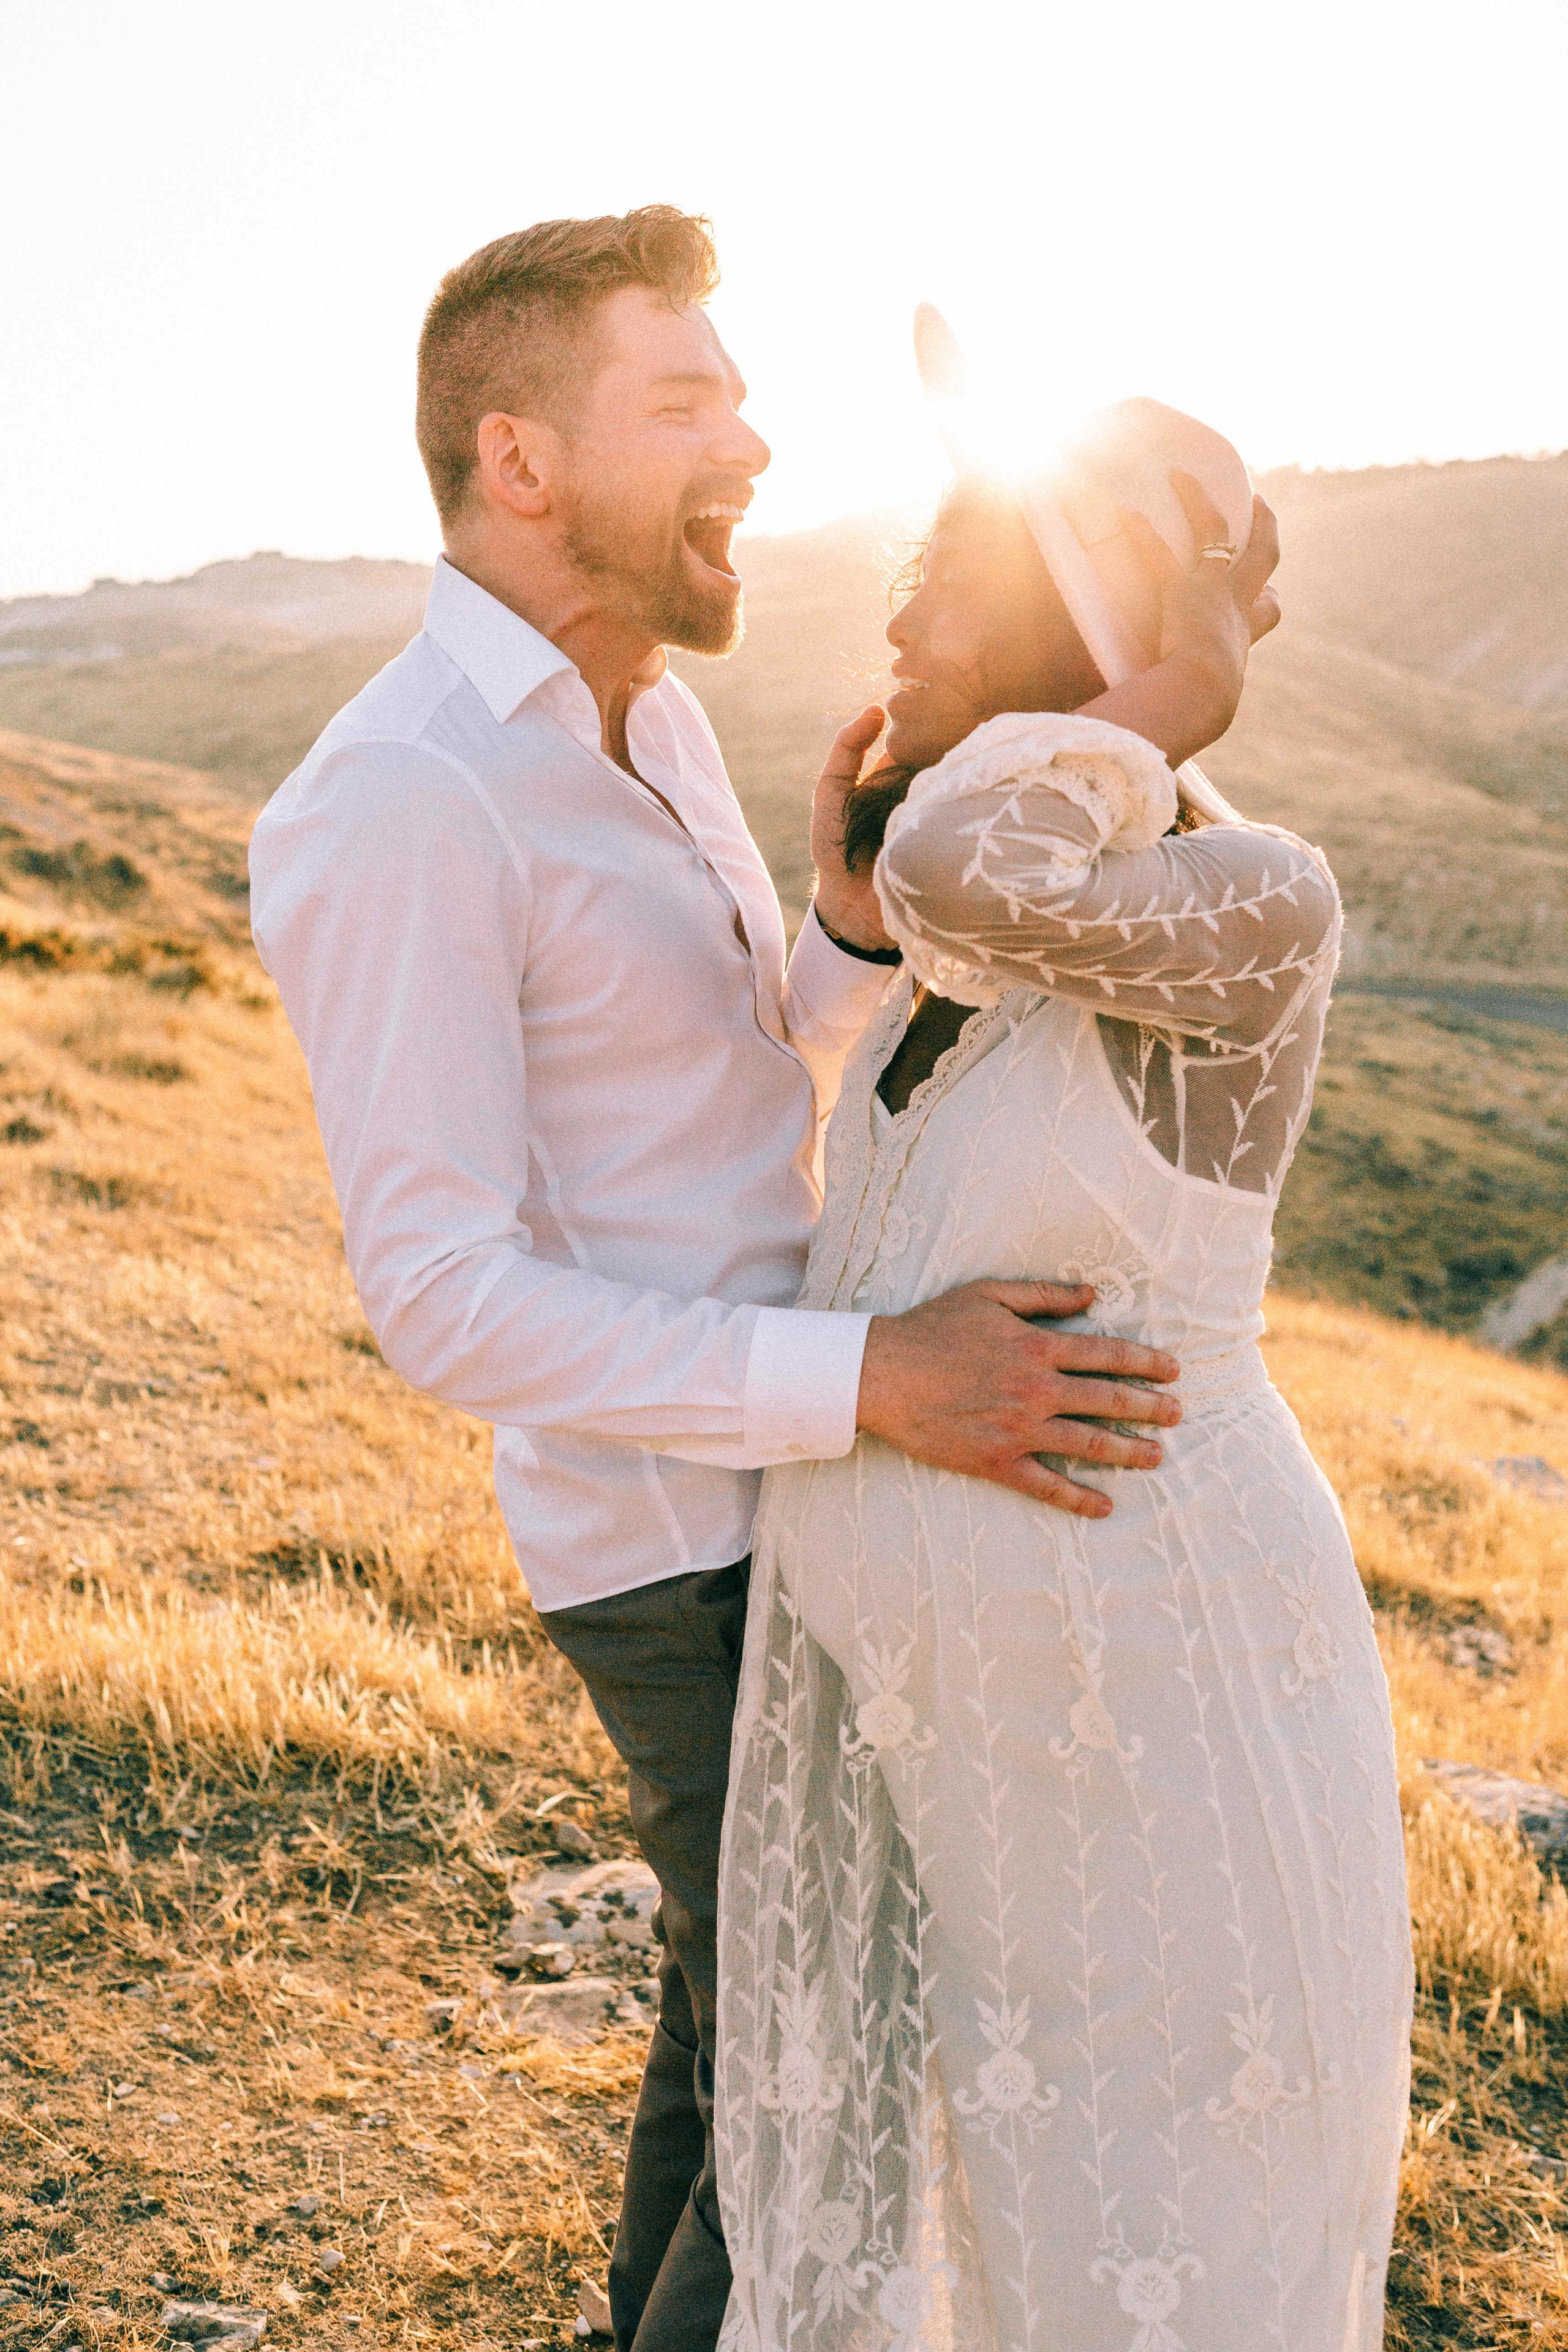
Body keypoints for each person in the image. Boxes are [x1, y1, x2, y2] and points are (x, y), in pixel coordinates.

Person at [246, 209, 1191, 2352]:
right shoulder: (398, 800)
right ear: (521, 459)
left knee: (743, 2046)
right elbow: (444, 1298)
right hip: (681, 1553)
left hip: (805, 1499)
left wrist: (844, 932)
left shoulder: (646, 720)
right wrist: (874, 1381)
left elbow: (714, 1098)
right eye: (686, 396)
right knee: (831, 2110)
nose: (751, 435)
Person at [715, 407, 1412, 2351]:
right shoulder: (966, 954)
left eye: (965, 582)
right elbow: (920, 895)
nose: (907, 620)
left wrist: (1169, 689)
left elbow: (962, 853)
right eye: (909, 582)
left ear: (1089, 637)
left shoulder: (1252, 899)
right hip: (994, 1807)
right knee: (1001, 2242)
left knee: (1158, 2265)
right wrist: (850, 899)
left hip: (1174, 1760)